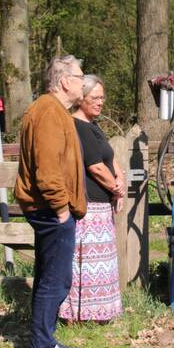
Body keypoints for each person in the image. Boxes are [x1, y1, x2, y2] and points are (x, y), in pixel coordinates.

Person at [14, 55, 87, 348]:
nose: (83, 83)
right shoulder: (48, 112)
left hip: (52, 208)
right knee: (54, 280)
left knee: (53, 276)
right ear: (65, 80)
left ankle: (46, 339)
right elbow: (47, 169)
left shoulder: (55, 111)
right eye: (80, 77)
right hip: (50, 208)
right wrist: (60, 208)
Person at [60, 74, 125, 323]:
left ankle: (100, 312)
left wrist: (120, 178)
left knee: (102, 261)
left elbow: (110, 157)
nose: (101, 102)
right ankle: (80, 315)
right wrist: (116, 189)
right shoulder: (78, 127)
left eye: (102, 97)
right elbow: (95, 167)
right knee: (86, 263)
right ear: (81, 99)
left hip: (102, 206)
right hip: (88, 208)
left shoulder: (94, 125)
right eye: (95, 98)